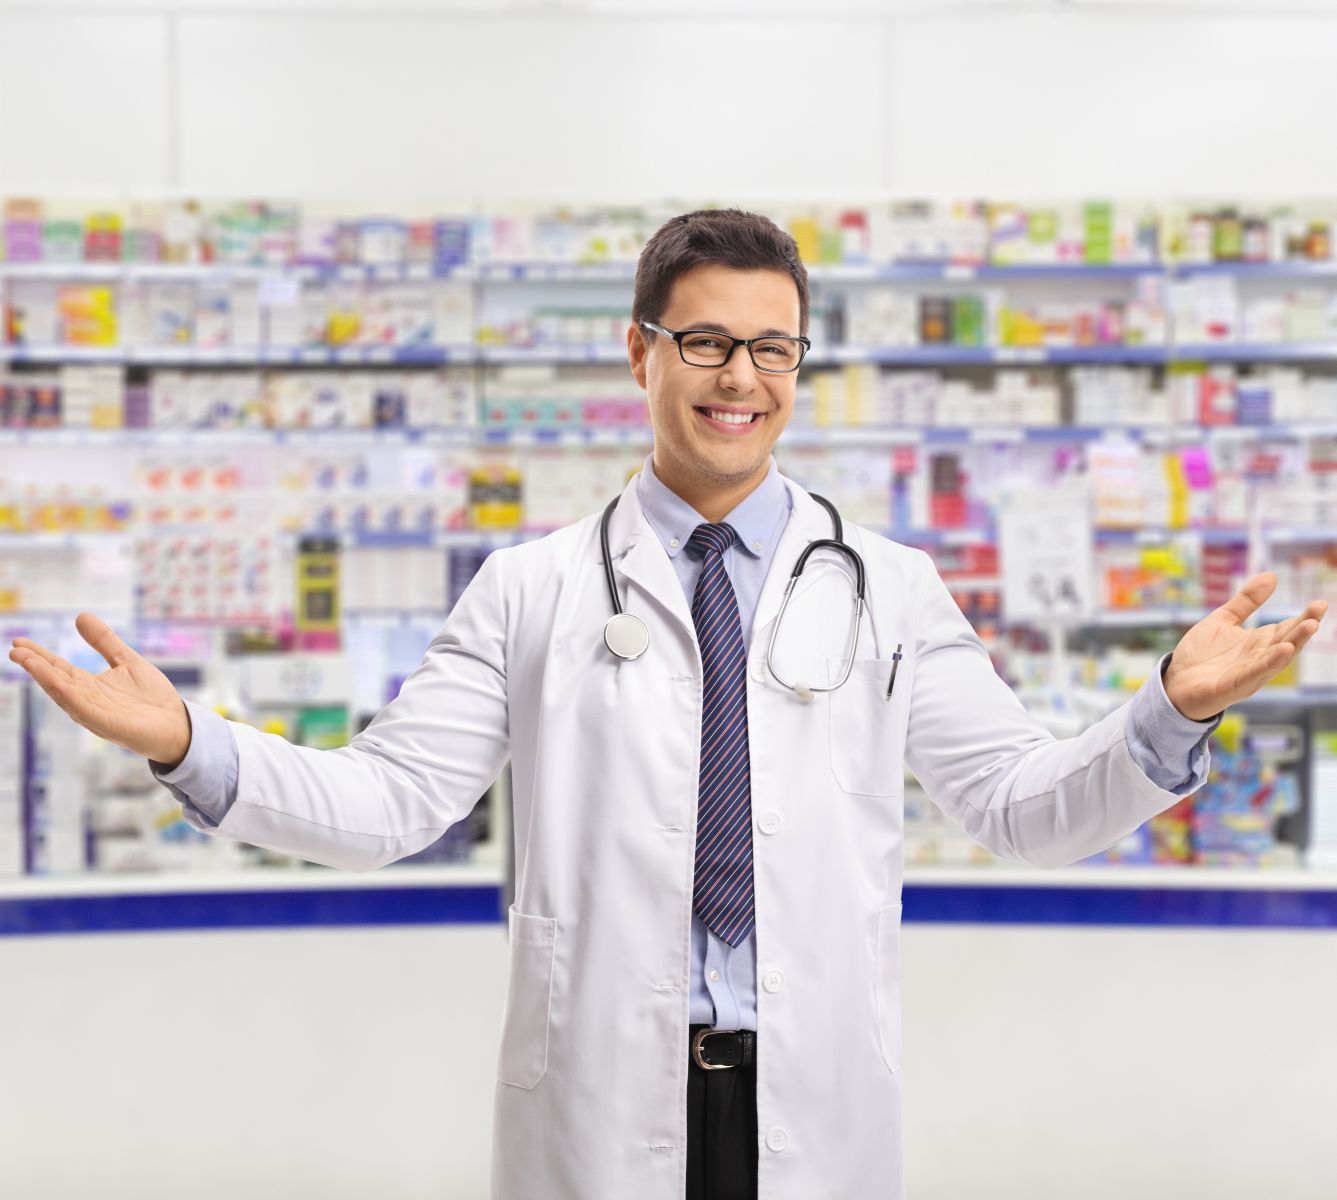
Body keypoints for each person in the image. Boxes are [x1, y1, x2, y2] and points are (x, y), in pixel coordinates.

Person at [9, 208, 1328, 1200]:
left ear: (798, 365)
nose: (736, 376)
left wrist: (1164, 709)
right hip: (600, 1099)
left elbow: (1020, 811)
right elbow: (387, 804)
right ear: (640, 352)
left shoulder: (891, 586)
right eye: (703, 340)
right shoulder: (529, 590)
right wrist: (188, 741)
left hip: (809, 1093)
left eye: (771, 346)